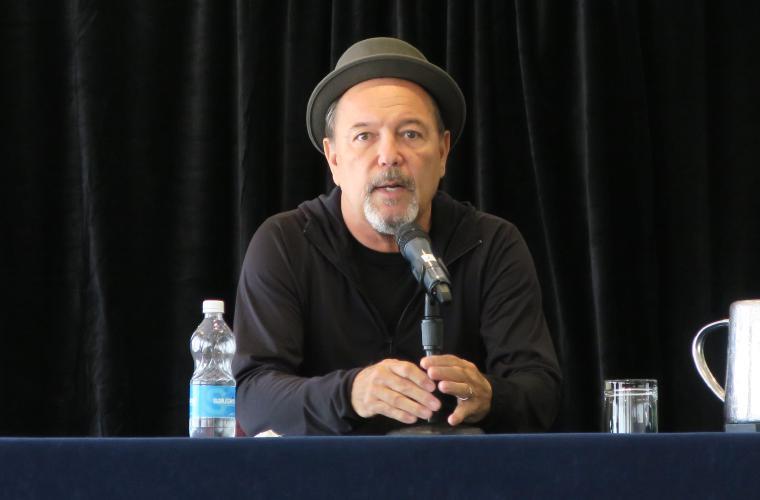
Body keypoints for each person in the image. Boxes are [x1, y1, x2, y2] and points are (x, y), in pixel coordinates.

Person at [233, 37, 561, 435]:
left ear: (443, 152)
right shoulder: (285, 243)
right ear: (333, 158)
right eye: (364, 136)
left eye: (410, 134)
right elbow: (252, 397)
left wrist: (490, 395)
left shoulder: (491, 243)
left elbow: (540, 392)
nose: (389, 155)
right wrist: (351, 392)